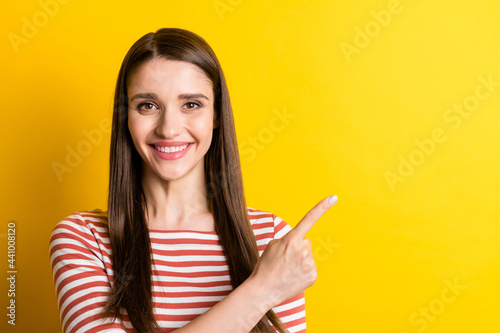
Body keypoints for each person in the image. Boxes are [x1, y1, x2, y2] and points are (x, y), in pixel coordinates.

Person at [49, 27, 338, 333]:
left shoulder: (271, 239)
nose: (169, 129)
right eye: (148, 105)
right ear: (126, 116)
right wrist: (262, 289)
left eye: (191, 105)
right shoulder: (84, 238)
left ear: (216, 115)